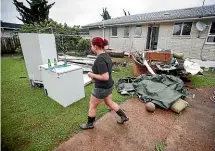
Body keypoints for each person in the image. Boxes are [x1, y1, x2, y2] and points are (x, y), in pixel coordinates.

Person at [80, 37, 129, 130]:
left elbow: (105, 76)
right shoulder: (106, 55)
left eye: (91, 45)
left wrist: (92, 75)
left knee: (92, 105)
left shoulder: (100, 59)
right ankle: (124, 117)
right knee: (109, 102)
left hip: (101, 88)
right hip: (109, 86)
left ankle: (89, 124)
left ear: (95, 46)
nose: (91, 47)